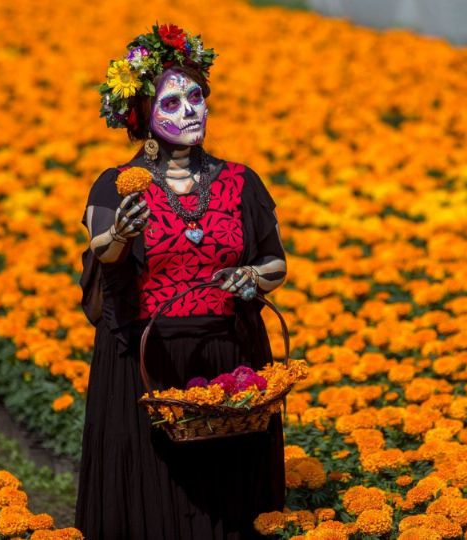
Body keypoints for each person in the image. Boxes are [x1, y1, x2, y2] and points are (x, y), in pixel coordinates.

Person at [74, 23, 289, 539]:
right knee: (153, 505)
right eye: (172, 103)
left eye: (196, 97)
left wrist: (251, 277)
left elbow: (276, 263)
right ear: (144, 116)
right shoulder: (115, 185)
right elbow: (101, 250)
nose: (190, 110)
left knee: (230, 506)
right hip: (148, 366)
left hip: (229, 359)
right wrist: (121, 235)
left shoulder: (242, 181)